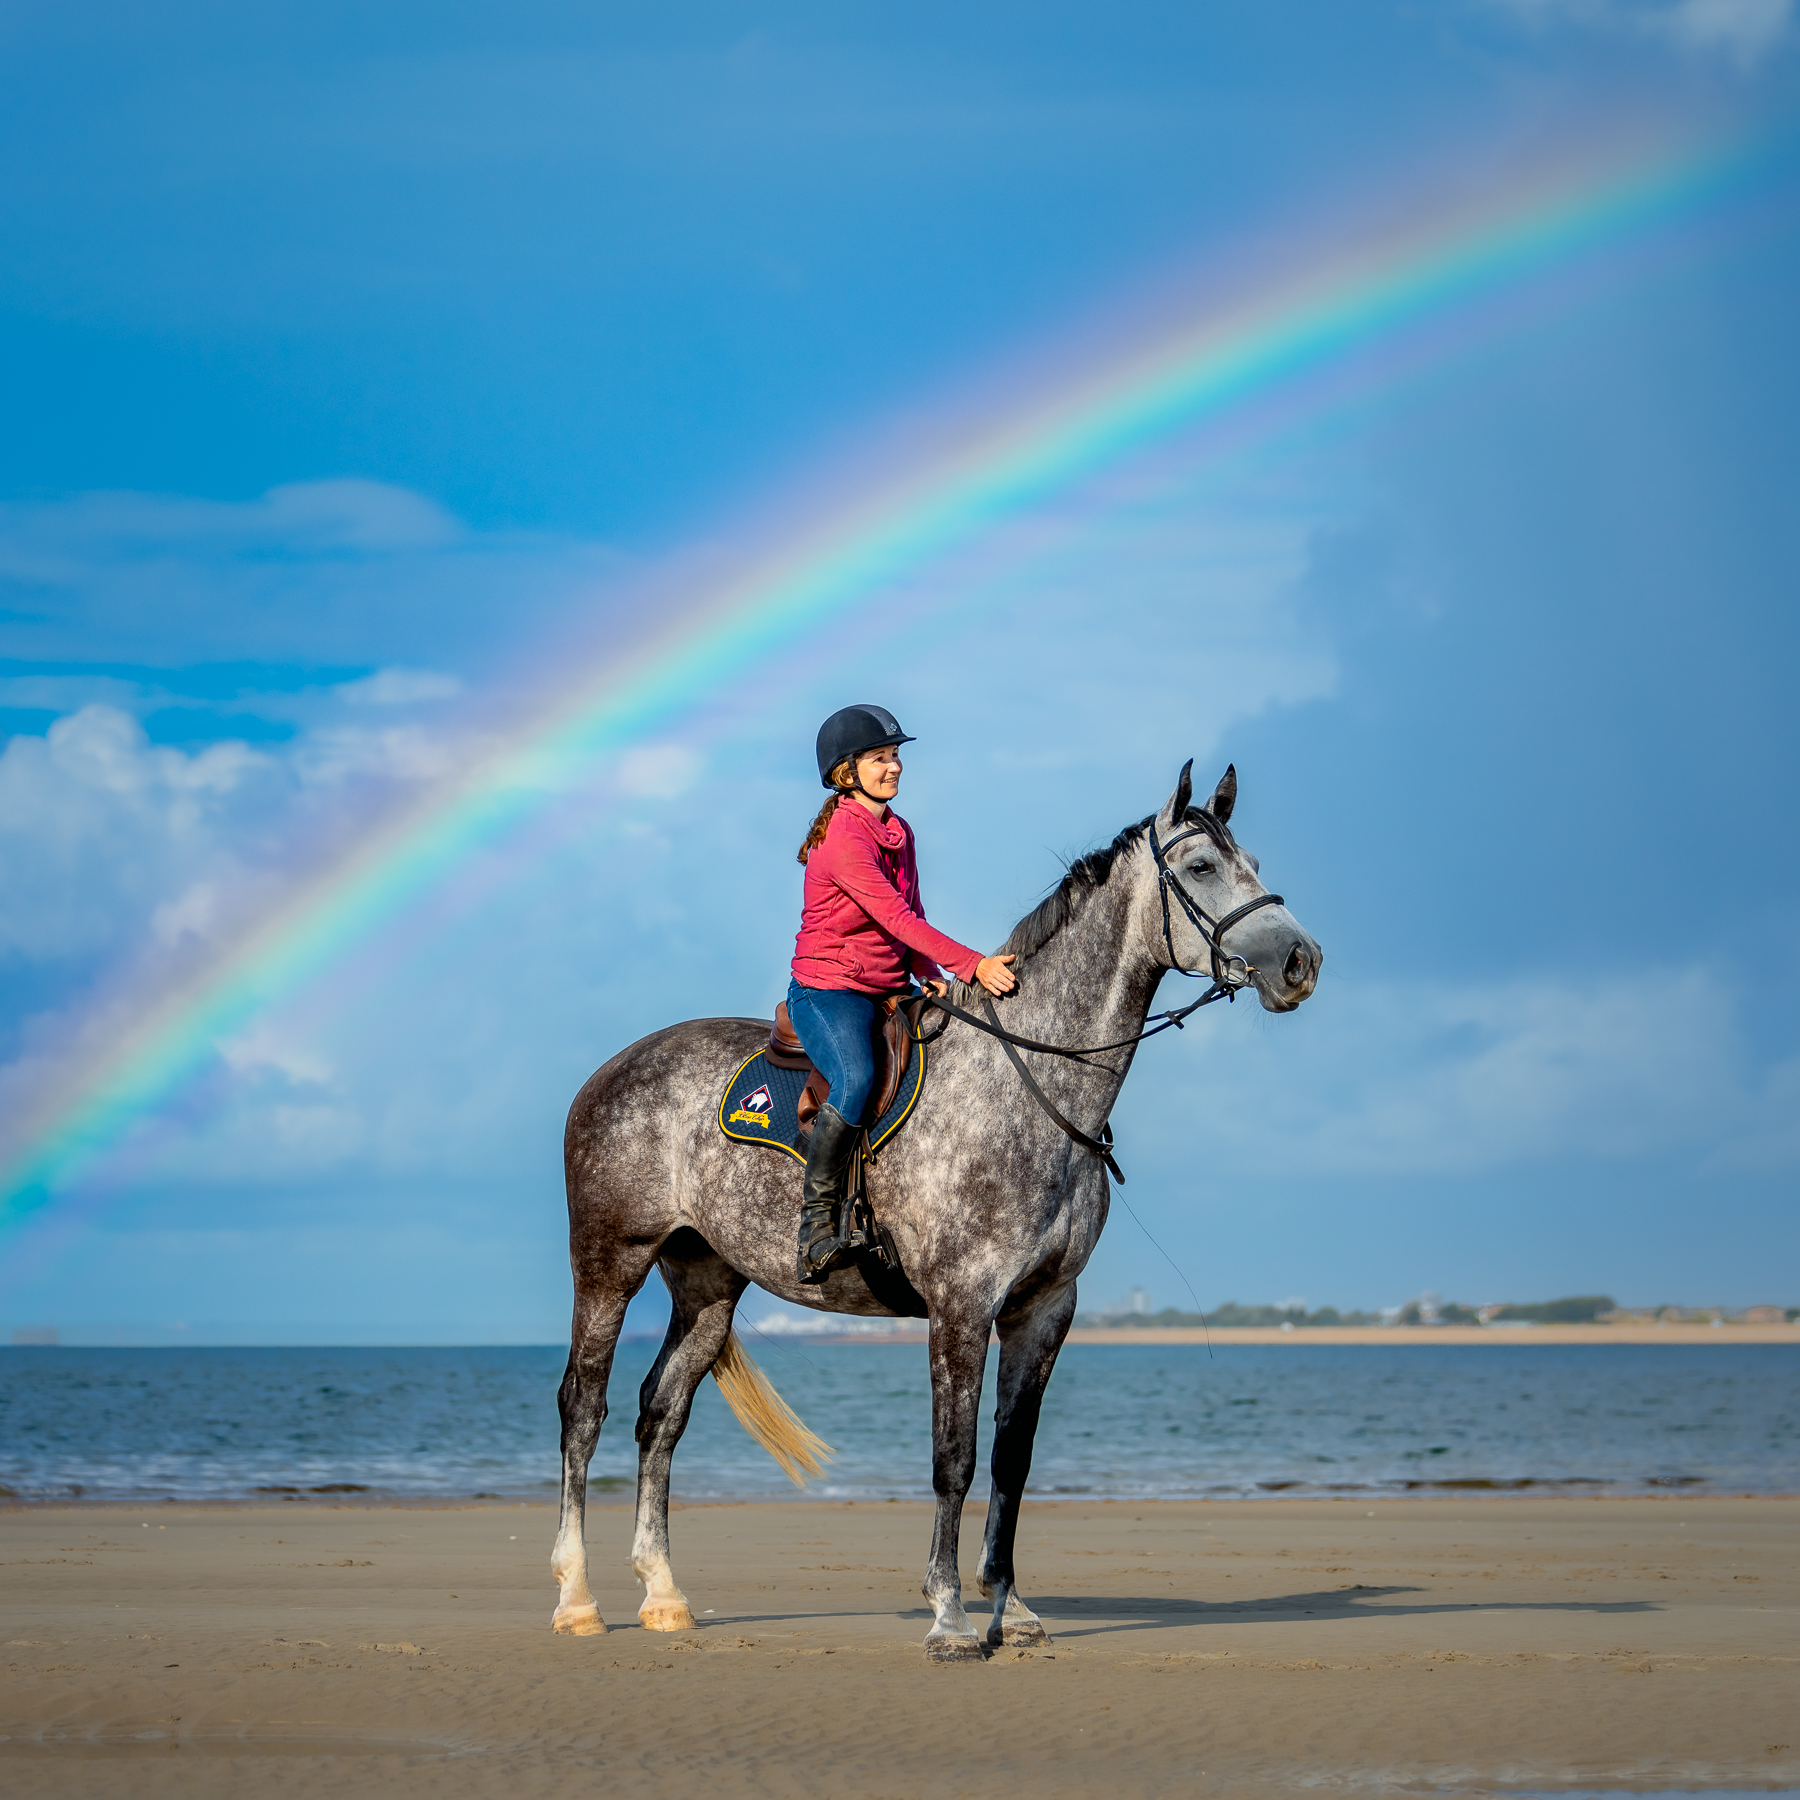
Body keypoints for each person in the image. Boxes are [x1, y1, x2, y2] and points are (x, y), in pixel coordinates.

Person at [788, 704, 1017, 1284]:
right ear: (847, 772)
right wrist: (972, 966)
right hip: (829, 988)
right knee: (857, 1078)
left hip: (890, 985)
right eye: (880, 758)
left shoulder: (899, 830)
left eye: (895, 756)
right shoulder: (843, 838)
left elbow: (910, 913)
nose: (894, 767)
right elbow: (893, 916)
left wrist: (927, 970)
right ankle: (815, 1226)